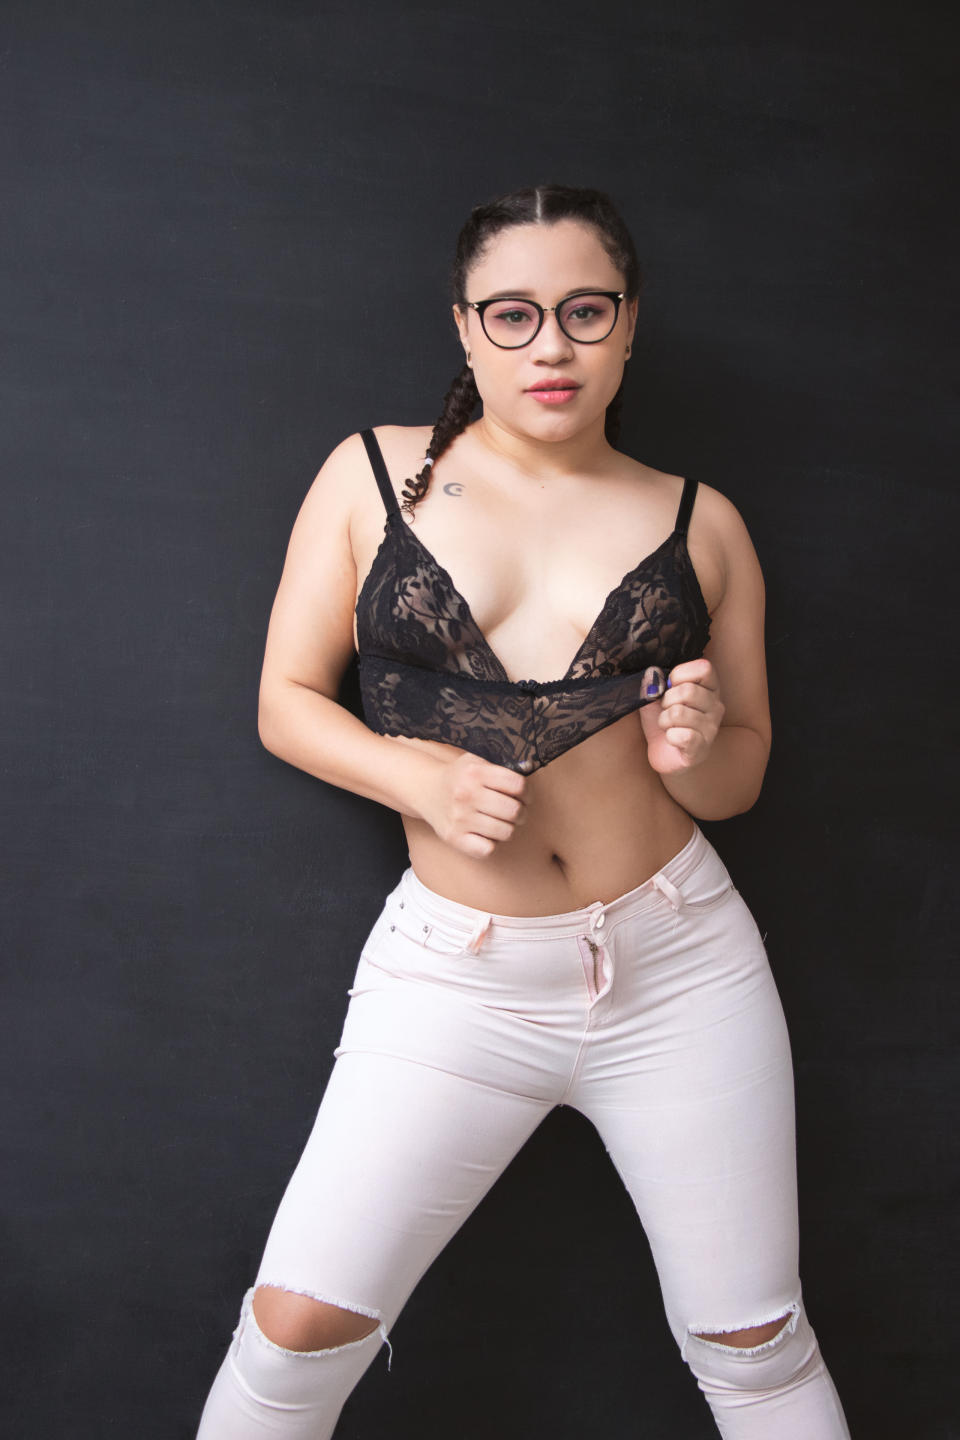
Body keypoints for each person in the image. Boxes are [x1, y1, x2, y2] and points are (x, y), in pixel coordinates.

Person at [195, 184, 850, 1439]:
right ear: (465, 326)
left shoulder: (701, 522)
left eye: (585, 311)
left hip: (680, 967)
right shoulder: (370, 476)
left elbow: (742, 774)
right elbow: (286, 700)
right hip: (459, 976)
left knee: (757, 1345)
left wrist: (691, 750)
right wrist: (416, 778)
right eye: (514, 314)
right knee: (293, 1334)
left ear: (629, 326)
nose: (551, 345)